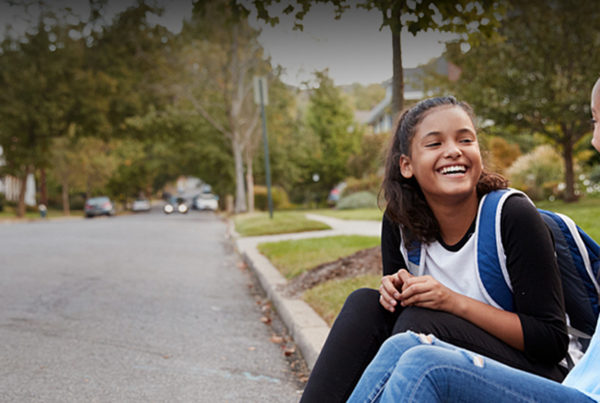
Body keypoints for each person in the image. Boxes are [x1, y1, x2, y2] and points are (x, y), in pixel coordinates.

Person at [300, 96, 569, 402]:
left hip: (532, 378)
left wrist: (451, 301)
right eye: (435, 144)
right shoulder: (400, 223)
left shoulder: (510, 216)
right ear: (406, 165)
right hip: (438, 364)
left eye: (465, 139)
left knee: (420, 323)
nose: (453, 151)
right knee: (366, 304)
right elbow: (394, 323)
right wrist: (393, 292)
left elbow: (551, 341)